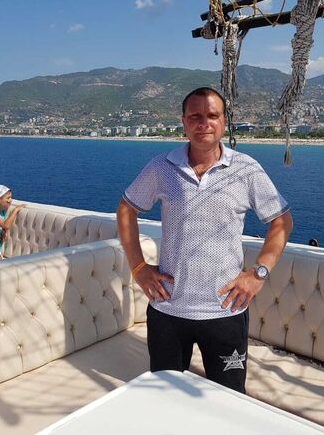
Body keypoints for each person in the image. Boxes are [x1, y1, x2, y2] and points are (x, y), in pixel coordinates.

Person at [117, 87, 293, 394]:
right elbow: (126, 209)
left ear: (224, 121)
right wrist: (138, 268)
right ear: (184, 122)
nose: (204, 123)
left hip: (225, 312)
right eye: (195, 116)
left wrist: (258, 273)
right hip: (168, 311)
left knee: (229, 399)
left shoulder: (246, 169)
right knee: (166, 397)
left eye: (212, 115)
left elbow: (281, 221)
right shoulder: (162, 167)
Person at [0, 185, 26, 262]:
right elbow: (6, 225)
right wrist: (16, 210)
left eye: (11, 197)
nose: (10, 200)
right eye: (8, 198)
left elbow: (2, 226)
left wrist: (3, 231)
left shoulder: (2, 211)